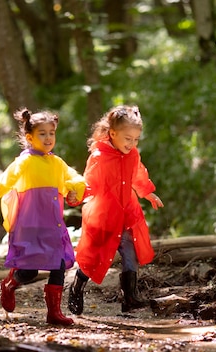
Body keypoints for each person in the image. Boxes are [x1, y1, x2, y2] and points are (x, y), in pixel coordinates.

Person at [0, 107, 85, 326]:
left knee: (58, 265)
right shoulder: (25, 162)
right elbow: (9, 177)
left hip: (54, 224)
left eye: (51, 133)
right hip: (30, 225)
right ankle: (10, 284)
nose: (48, 138)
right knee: (29, 271)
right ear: (30, 137)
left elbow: (74, 177)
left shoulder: (57, 162)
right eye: (42, 133)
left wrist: (75, 187)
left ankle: (54, 313)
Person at [68, 105, 164, 315]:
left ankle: (129, 298)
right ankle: (77, 287)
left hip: (127, 212)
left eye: (136, 139)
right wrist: (77, 195)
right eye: (127, 138)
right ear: (112, 133)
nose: (132, 144)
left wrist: (147, 193)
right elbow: (89, 182)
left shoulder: (132, 154)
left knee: (131, 254)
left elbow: (138, 174)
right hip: (104, 215)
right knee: (94, 256)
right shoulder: (99, 156)